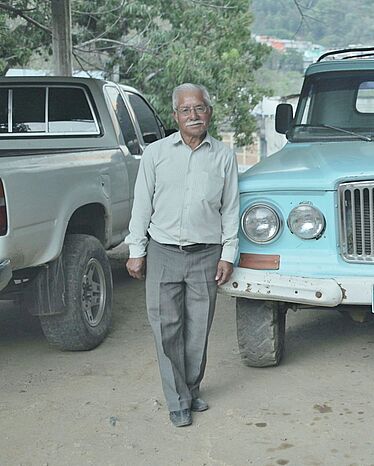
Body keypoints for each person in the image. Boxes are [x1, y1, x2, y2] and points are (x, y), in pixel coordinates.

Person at [125, 83, 239, 427]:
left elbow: (231, 208)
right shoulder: (156, 153)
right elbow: (141, 204)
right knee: (166, 327)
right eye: (186, 110)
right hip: (162, 252)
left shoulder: (224, 155)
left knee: (198, 328)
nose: (193, 115)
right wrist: (136, 250)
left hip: (206, 254)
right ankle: (177, 400)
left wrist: (229, 253)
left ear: (209, 113)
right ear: (175, 115)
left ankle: (190, 389)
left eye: (199, 108)